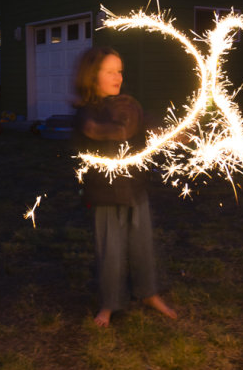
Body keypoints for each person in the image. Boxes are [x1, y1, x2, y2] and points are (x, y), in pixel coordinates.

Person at [72, 46, 177, 327]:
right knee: (111, 252)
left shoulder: (128, 104)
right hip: (104, 194)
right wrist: (123, 125)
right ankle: (109, 304)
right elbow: (97, 129)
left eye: (120, 70)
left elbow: (149, 126)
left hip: (135, 188)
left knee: (143, 245)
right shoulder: (86, 112)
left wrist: (177, 132)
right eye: (110, 71)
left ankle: (148, 293)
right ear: (92, 77)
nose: (118, 76)